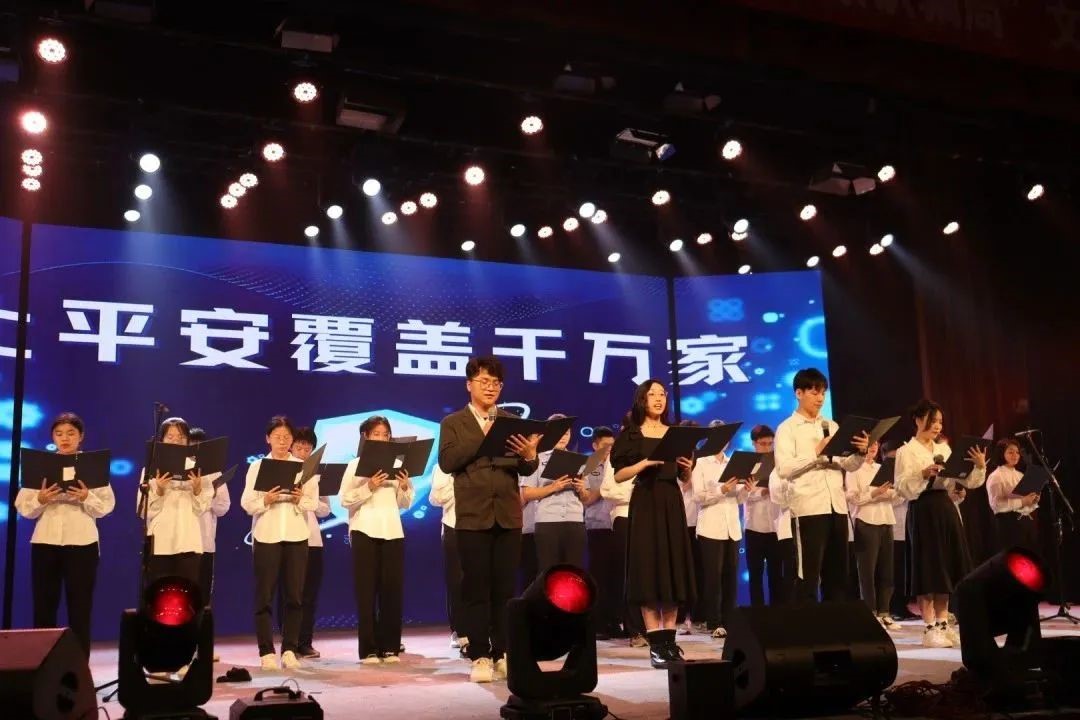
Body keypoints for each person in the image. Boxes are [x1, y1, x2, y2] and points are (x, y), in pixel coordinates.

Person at [438, 356, 540, 683]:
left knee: (505, 588)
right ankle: (480, 654)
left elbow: (525, 468)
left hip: (508, 515)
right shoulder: (453, 423)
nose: (491, 387)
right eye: (484, 381)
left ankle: (502, 652)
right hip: (473, 517)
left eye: (496, 383)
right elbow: (448, 461)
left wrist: (530, 457)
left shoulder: (511, 420)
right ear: (469, 385)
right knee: (476, 588)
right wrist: (483, 436)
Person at [610, 379, 696, 669]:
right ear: (642, 400)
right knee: (648, 571)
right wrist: (644, 463)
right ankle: (656, 646)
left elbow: (683, 478)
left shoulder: (675, 433)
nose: (659, 399)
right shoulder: (632, 434)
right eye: (652, 394)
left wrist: (687, 469)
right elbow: (619, 475)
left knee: (672, 572)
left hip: (671, 501)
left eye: (662, 394)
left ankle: (670, 643)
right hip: (645, 501)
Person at [16, 412, 115, 656]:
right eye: (59, 434)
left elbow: (106, 506)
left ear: (81, 437)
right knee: (44, 608)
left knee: (80, 609)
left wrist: (86, 497)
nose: (65, 438)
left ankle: (78, 667)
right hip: (45, 542)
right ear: (52, 437)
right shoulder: (40, 466)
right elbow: (23, 508)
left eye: (71, 433)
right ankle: (43, 664)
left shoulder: (91, 466)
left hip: (82, 543)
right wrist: (40, 499)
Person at [769, 369, 869, 604]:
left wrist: (860, 453)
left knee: (838, 576)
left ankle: (833, 622)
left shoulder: (831, 425)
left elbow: (848, 465)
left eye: (823, 393)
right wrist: (816, 453)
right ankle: (807, 624)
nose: (820, 398)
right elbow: (784, 468)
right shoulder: (787, 428)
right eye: (814, 392)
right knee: (808, 576)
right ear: (799, 393)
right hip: (808, 509)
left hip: (837, 507)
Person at [895, 400, 987, 648]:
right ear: (918, 420)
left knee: (945, 567)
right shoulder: (906, 451)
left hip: (945, 508)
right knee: (928, 568)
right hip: (923, 508)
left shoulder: (944, 449)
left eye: (940, 422)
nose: (937, 426)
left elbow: (968, 481)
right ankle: (929, 627)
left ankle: (944, 623)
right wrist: (923, 474)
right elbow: (901, 487)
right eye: (932, 421)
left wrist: (978, 467)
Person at [240, 415, 318, 670]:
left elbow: (313, 502)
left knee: (294, 596)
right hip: (267, 535)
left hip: (296, 536)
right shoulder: (257, 466)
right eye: (277, 437)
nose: (282, 442)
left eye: (286, 437)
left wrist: (299, 499)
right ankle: (266, 651)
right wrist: (266, 500)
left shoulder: (304, 467)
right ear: (268, 439)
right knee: (264, 596)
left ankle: (289, 649)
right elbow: (246, 503)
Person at [341, 416, 414, 664]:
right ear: (365, 437)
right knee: (366, 593)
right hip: (364, 530)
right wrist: (369, 486)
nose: (382, 438)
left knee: (392, 592)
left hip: (392, 530)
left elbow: (405, 503)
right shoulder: (355, 465)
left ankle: (390, 647)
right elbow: (345, 499)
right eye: (377, 434)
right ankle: (369, 649)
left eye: (385, 434)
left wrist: (404, 485)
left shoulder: (397, 464)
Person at [691, 423, 750, 639]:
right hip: (710, 527)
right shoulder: (701, 463)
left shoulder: (732, 462)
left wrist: (746, 490)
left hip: (732, 527)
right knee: (713, 577)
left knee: (730, 576)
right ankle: (713, 621)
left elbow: (739, 500)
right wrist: (722, 489)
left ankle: (729, 620)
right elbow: (698, 497)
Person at [140, 417, 211, 588]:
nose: (176, 441)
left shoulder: (199, 469)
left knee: (187, 595)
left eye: (181, 437)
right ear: (161, 440)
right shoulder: (150, 469)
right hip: (161, 543)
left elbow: (202, 508)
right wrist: (159, 490)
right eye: (170, 437)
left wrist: (197, 489)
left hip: (189, 541)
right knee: (160, 595)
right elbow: (143, 511)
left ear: (187, 441)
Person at [521, 414, 590, 571]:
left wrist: (581, 489)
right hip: (548, 522)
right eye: (559, 432)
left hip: (575, 521)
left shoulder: (579, 460)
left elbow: (587, 498)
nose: (563, 437)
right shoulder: (536, 458)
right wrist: (553, 487)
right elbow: (527, 493)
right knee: (548, 571)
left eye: (567, 433)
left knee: (574, 571)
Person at [600, 421, 647, 647]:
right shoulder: (616, 455)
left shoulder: (648, 455)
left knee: (646, 574)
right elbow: (607, 490)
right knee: (629, 574)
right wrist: (634, 494)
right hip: (624, 517)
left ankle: (649, 627)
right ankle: (633, 628)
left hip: (647, 517)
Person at [844, 442, 900, 630]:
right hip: (866, 522)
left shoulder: (881, 468)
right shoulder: (853, 469)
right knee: (867, 571)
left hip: (886, 519)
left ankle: (885, 612)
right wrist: (875, 493)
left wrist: (886, 494)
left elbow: (897, 495)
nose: (873, 446)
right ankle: (871, 612)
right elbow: (853, 498)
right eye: (870, 443)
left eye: (876, 443)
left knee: (887, 570)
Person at [290, 427, 331, 659]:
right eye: (300, 446)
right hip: (288, 537)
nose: (304, 451)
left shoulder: (317, 473)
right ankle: (289, 641)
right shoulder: (282, 470)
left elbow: (325, 509)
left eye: (308, 448)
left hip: (312, 539)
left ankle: (305, 642)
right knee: (291, 593)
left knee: (310, 595)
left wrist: (308, 501)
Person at [742, 425, 787, 606]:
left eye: (770, 443)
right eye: (763, 444)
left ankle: (777, 612)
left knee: (777, 574)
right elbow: (741, 494)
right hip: (754, 526)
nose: (767, 448)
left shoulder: (779, 463)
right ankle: (757, 613)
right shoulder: (746, 464)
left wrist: (776, 489)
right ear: (754, 443)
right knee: (756, 575)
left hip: (776, 526)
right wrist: (762, 491)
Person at [583, 427, 620, 639]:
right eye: (605, 446)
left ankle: (615, 621)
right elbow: (586, 498)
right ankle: (598, 623)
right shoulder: (588, 465)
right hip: (597, 526)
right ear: (595, 445)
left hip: (617, 524)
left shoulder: (618, 464)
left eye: (612, 446)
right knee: (599, 577)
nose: (609, 450)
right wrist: (606, 486)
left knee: (617, 577)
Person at [429, 464, 468, 657]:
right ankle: (460, 630)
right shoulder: (443, 467)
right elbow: (435, 498)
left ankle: (481, 628)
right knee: (456, 581)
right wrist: (459, 485)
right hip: (453, 525)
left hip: (480, 525)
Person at [985, 438, 1040, 551]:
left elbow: (1027, 501)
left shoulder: (1020, 475)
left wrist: (1033, 500)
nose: (1015, 455)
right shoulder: (996, 476)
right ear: (1001, 454)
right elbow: (996, 505)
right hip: (1009, 524)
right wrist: (1023, 501)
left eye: (1017, 452)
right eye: (1010, 452)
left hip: (1026, 523)